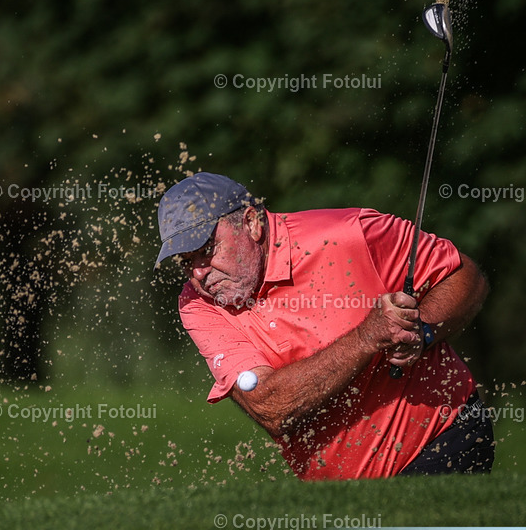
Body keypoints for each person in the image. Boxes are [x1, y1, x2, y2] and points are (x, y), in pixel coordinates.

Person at [155, 172, 493, 480]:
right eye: (186, 263)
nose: (199, 272)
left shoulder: (351, 234)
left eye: (206, 250)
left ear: (252, 222)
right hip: (337, 488)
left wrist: (424, 331)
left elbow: (464, 275)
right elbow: (272, 408)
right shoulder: (197, 305)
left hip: (440, 436)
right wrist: (366, 338)